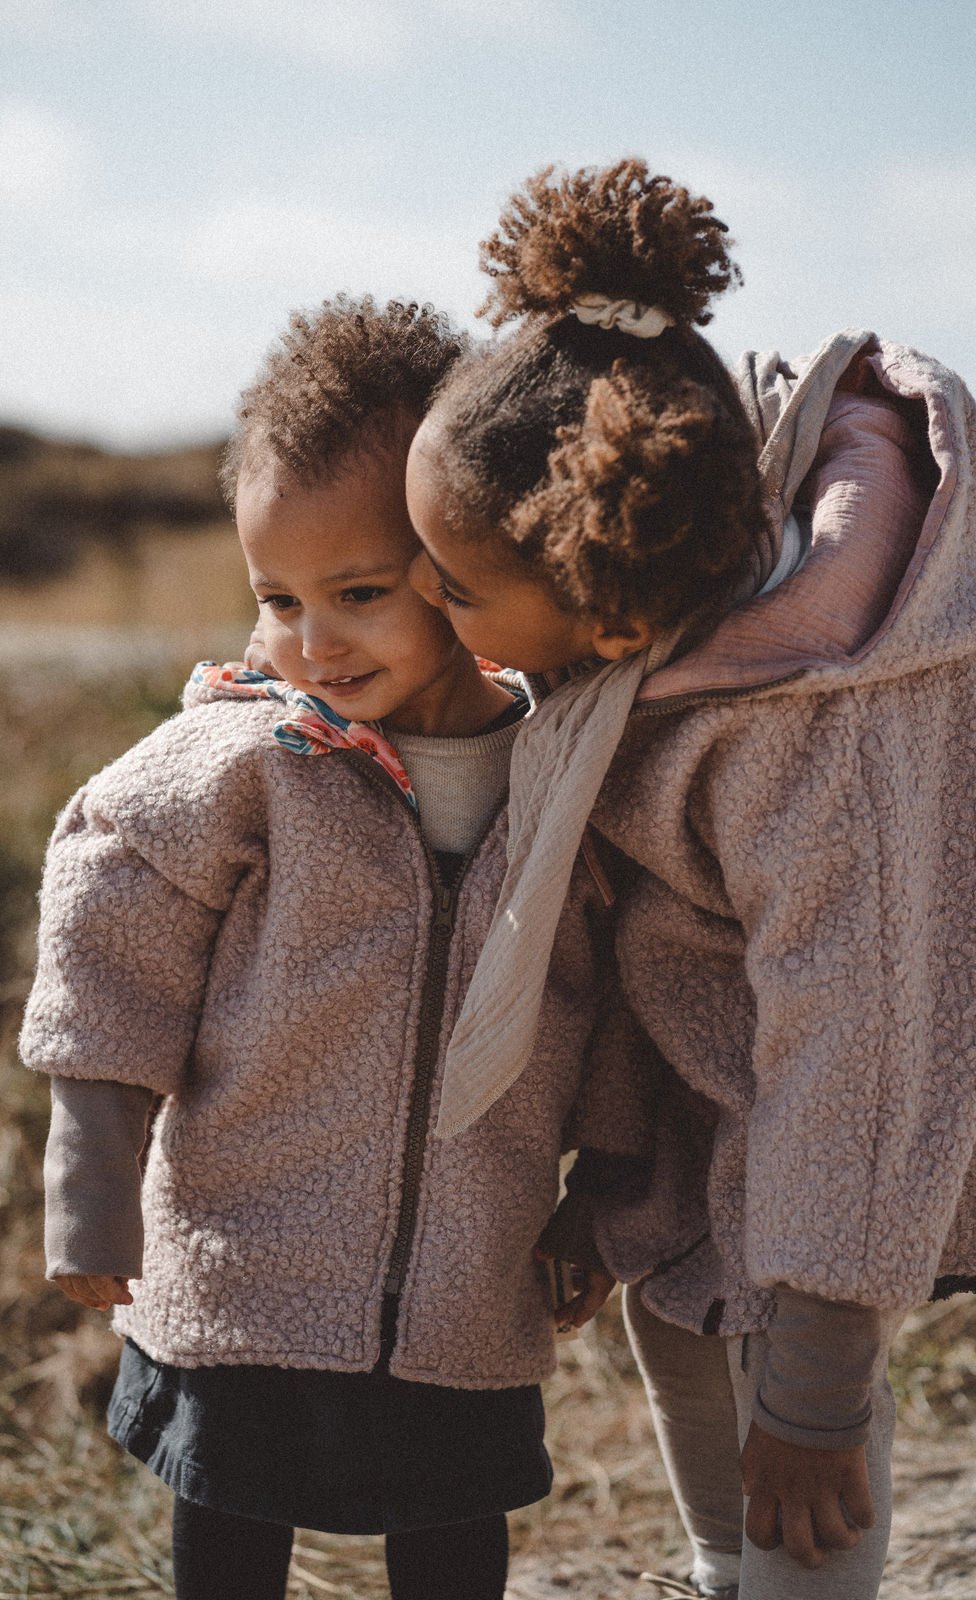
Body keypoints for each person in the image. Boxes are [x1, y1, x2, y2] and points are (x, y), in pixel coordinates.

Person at [402, 160, 976, 1599]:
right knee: (685, 1307)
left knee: (790, 1428)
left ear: (601, 586)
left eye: (456, 588)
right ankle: (732, 1565)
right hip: (743, 1067)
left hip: (902, 1093)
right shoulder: (668, 638)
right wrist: (622, 1166)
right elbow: (655, 929)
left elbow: (875, 1040)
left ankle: (794, 1553)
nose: (438, 619)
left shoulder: (824, 730)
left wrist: (819, 1389)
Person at [18, 293, 643, 1600]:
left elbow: (607, 987)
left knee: (458, 1517)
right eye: (279, 597)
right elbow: (111, 924)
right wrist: (89, 1168)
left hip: (472, 1273)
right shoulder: (247, 758)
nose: (312, 640)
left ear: (465, 553)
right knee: (232, 1516)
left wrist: (611, 1176)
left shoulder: (562, 774)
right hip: (249, 1264)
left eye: (359, 593)